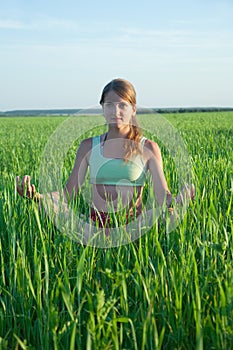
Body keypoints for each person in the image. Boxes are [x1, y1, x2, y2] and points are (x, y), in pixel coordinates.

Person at [16, 78, 194, 238]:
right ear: (102, 108)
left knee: (168, 214)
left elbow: (162, 195)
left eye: (122, 105)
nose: (115, 111)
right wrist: (36, 196)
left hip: (133, 225)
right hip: (95, 226)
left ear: (133, 109)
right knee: (45, 208)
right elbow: (68, 193)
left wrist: (178, 200)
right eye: (109, 105)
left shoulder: (148, 148)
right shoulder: (88, 146)